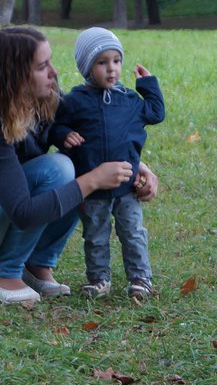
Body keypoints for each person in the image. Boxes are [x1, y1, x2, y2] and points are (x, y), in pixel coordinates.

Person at [0, 27, 158, 306]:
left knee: (71, 165)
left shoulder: (44, 97)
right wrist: (93, 180)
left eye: (50, 61)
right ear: (17, 76)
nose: (54, 72)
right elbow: (23, 212)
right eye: (42, 66)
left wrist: (134, 166)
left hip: (5, 211)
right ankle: (4, 271)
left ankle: (36, 263)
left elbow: (91, 136)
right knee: (61, 169)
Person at [51, 28, 166, 299]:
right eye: (102, 62)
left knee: (133, 233)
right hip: (93, 188)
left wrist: (148, 84)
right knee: (95, 236)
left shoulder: (128, 100)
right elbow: (54, 125)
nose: (111, 69)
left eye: (116, 61)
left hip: (127, 186)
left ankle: (140, 278)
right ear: (87, 67)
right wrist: (63, 134)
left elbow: (156, 113)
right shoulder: (75, 101)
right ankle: (99, 279)